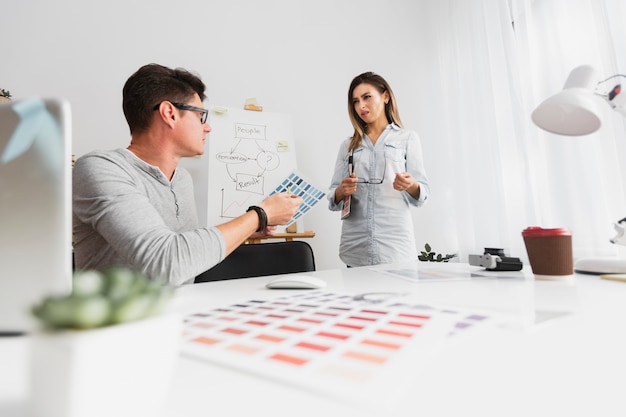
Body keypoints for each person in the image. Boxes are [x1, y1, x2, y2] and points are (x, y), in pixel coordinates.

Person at [72, 63, 303, 286]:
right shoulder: (99, 168)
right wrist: (259, 215)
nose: (208, 127)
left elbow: (187, 255)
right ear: (169, 113)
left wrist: (250, 227)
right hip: (120, 323)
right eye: (201, 115)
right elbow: (167, 264)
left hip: (182, 314)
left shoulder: (182, 179)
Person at [327, 71, 430, 267]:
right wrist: (341, 191)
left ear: (385, 96)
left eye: (367, 97)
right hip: (356, 249)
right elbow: (333, 200)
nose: (361, 106)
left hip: (395, 248)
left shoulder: (408, 138)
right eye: (355, 101)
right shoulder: (347, 146)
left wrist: (410, 185)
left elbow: (423, 194)